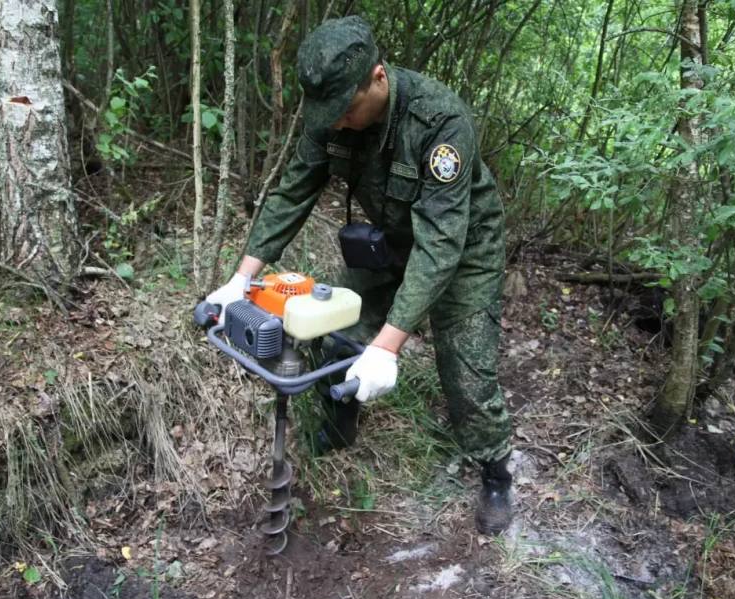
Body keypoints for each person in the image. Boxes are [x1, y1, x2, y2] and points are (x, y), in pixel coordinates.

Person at [205, 16, 513, 535]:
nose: (340, 122)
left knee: (466, 369)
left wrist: (389, 345)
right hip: (392, 242)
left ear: (378, 77)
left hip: (464, 250)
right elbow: (291, 192)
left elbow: (440, 244)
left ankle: (496, 471)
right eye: (331, 113)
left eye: (347, 109)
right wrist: (242, 279)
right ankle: (340, 422)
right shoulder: (332, 116)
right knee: (340, 329)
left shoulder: (439, 121)